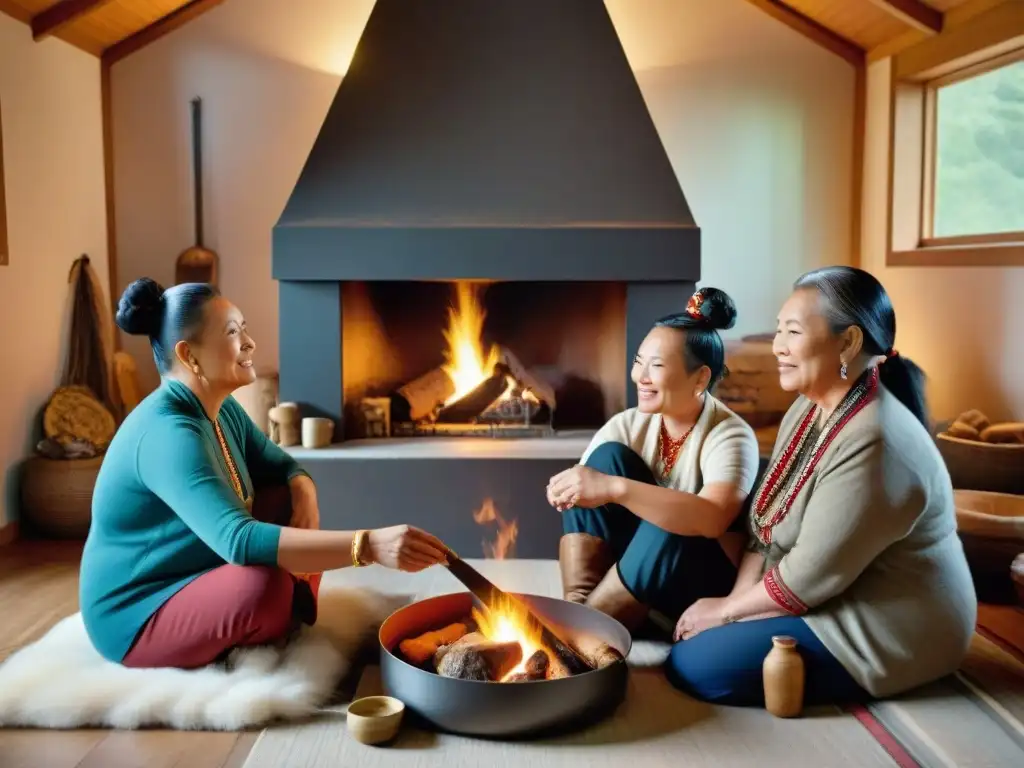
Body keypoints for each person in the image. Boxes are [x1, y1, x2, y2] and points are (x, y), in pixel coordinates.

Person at [80, 278, 450, 670]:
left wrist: (303, 492)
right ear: (189, 355)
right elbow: (238, 540)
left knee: (283, 497)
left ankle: (271, 609)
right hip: (137, 609)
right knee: (264, 589)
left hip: (198, 565)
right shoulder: (168, 435)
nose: (250, 344)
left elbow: (283, 466)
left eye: (245, 328)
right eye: (233, 332)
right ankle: (268, 612)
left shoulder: (221, 407)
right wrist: (369, 546)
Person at [666, 266, 977, 707]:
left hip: (884, 626)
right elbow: (767, 527)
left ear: (848, 342)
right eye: (778, 331)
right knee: (675, 567)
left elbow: (807, 578)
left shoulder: (876, 440)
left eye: (792, 332)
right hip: (825, 590)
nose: (777, 347)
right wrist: (733, 603)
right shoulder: (810, 405)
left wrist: (725, 613)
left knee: (693, 665)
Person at [546, 287, 760, 632]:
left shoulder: (730, 435)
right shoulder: (630, 424)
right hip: (638, 579)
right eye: (638, 362)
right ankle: (583, 612)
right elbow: (584, 486)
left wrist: (613, 487)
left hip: (702, 586)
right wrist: (568, 488)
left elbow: (712, 518)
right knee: (607, 457)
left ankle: (580, 635)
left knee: (674, 517)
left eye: (656, 366)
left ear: (701, 377)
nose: (640, 377)